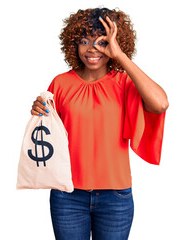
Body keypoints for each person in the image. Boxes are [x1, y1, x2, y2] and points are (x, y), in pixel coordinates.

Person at [31, 7, 169, 240]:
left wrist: (121, 57)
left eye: (102, 42)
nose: (92, 49)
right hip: (67, 195)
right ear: (73, 43)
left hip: (115, 197)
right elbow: (48, 134)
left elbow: (160, 104)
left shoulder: (124, 82)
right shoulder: (61, 83)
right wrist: (38, 111)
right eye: (84, 41)